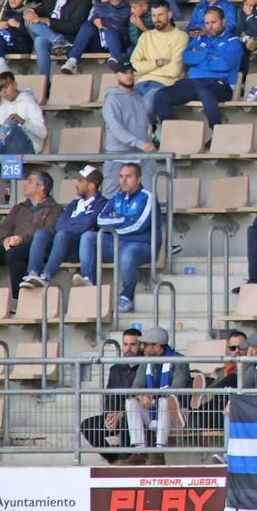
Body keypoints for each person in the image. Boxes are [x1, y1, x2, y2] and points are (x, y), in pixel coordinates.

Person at [0, 169, 61, 294]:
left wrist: (22, 239)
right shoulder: (19, 207)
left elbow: (48, 232)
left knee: (13, 255)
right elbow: (4, 227)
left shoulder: (55, 209)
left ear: (40, 187)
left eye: (29, 181)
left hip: (36, 250)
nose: (24, 184)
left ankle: (19, 298)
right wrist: (5, 239)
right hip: (12, 245)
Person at [151, 6, 241, 129]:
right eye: (207, 23)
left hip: (219, 84)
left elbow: (224, 64)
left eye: (214, 22)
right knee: (161, 94)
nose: (210, 26)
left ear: (224, 21)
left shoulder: (233, 41)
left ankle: (217, 132)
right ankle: (171, 133)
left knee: (205, 91)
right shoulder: (198, 39)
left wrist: (198, 58)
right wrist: (209, 56)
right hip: (193, 82)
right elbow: (186, 58)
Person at [83, 162, 154, 312]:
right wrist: (125, 219)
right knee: (89, 237)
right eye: (121, 176)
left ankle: (126, 298)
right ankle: (88, 281)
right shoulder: (116, 198)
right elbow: (101, 220)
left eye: (128, 176)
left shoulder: (147, 198)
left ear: (139, 179)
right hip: (118, 243)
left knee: (128, 252)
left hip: (142, 245)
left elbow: (139, 225)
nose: (123, 180)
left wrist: (115, 223)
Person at [23, 165, 105, 289]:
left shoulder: (102, 203)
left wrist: (72, 223)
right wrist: (77, 223)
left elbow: (87, 224)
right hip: (60, 245)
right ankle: (32, 273)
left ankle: (47, 276)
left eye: (80, 181)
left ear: (91, 185)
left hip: (79, 249)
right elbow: (59, 224)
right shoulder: (74, 203)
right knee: (41, 233)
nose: (76, 184)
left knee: (63, 234)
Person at [121, 327, 189, 465]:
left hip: (176, 416)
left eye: (145, 344)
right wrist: (141, 395)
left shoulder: (179, 360)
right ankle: (140, 450)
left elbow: (177, 388)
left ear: (157, 347)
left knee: (165, 400)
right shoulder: (146, 361)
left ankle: (159, 451)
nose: (142, 347)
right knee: (131, 401)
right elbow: (135, 387)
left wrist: (154, 394)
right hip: (152, 412)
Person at [81, 327, 141, 462]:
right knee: (87, 425)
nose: (128, 349)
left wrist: (121, 414)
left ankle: (128, 460)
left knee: (127, 422)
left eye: (133, 344)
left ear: (141, 345)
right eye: (125, 344)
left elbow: (143, 399)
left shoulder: (146, 367)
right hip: (116, 416)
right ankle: (114, 461)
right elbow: (109, 397)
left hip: (134, 416)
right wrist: (110, 415)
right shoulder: (116, 369)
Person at [62, 0, 131, 73]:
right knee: (87, 25)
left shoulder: (128, 5)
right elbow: (90, 22)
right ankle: (72, 61)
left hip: (120, 42)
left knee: (111, 30)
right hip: (100, 41)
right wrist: (97, 25)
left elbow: (131, 29)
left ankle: (117, 61)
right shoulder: (98, 4)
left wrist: (111, 28)